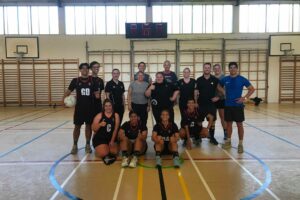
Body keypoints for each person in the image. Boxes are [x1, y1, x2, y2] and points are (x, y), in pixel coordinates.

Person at [62, 63, 99, 154]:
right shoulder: (75, 80)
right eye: (83, 68)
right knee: (77, 127)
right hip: (79, 108)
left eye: (86, 68)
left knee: (88, 126)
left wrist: (97, 95)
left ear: (88, 70)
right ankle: (75, 145)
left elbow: (97, 94)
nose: (85, 70)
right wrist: (64, 101)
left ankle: (87, 145)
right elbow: (68, 91)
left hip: (90, 108)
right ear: (80, 70)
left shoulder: (93, 80)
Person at [219, 62, 255, 153]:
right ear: (229, 69)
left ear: (237, 69)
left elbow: (252, 89)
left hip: (238, 106)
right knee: (229, 125)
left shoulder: (242, 79)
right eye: (231, 67)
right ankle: (228, 142)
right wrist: (224, 92)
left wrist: (245, 98)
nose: (232, 69)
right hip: (228, 105)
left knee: (239, 125)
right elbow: (218, 86)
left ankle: (240, 144)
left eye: (234, 67)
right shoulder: (225, 79)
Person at [195, 63, 220, 145]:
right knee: (199, 121)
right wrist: (195, 102)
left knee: (212, 122)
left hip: (211, 105)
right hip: (201, 104)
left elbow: (222, 90)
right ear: (203, 68)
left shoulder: (215, 79)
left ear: (210, 69)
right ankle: (199, 137)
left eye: (208, 68)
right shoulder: (198, 80)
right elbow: (195, 92)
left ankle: (212, 138)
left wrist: (218, 97)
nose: (207, 69)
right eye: (205, 67)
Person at [92, 99, 120, 165]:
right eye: (106, 106)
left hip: (110, 138)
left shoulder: (116, 115)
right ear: (103, 107)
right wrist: (99, 124)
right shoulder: (99, 116)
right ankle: (100, 149)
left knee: (115, 152)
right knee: (104, 153)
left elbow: (116, 129)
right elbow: (94, 129)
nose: (108, 107)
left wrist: (112, 140)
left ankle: (105, 147)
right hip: (100, 138)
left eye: (109, 106)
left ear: (112, 106)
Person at [213, 64, 227, 140]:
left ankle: (225, 132)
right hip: (213, 100)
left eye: (218, 68)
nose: (217, 70)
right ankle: (211, 133)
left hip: (221, 100)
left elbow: (225, 90)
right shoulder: (212, 78)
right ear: (213, 70)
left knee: (223, 117)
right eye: (215, 68)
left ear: (221, 69)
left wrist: (218, 97)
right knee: (212, 117)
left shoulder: (224, 78)